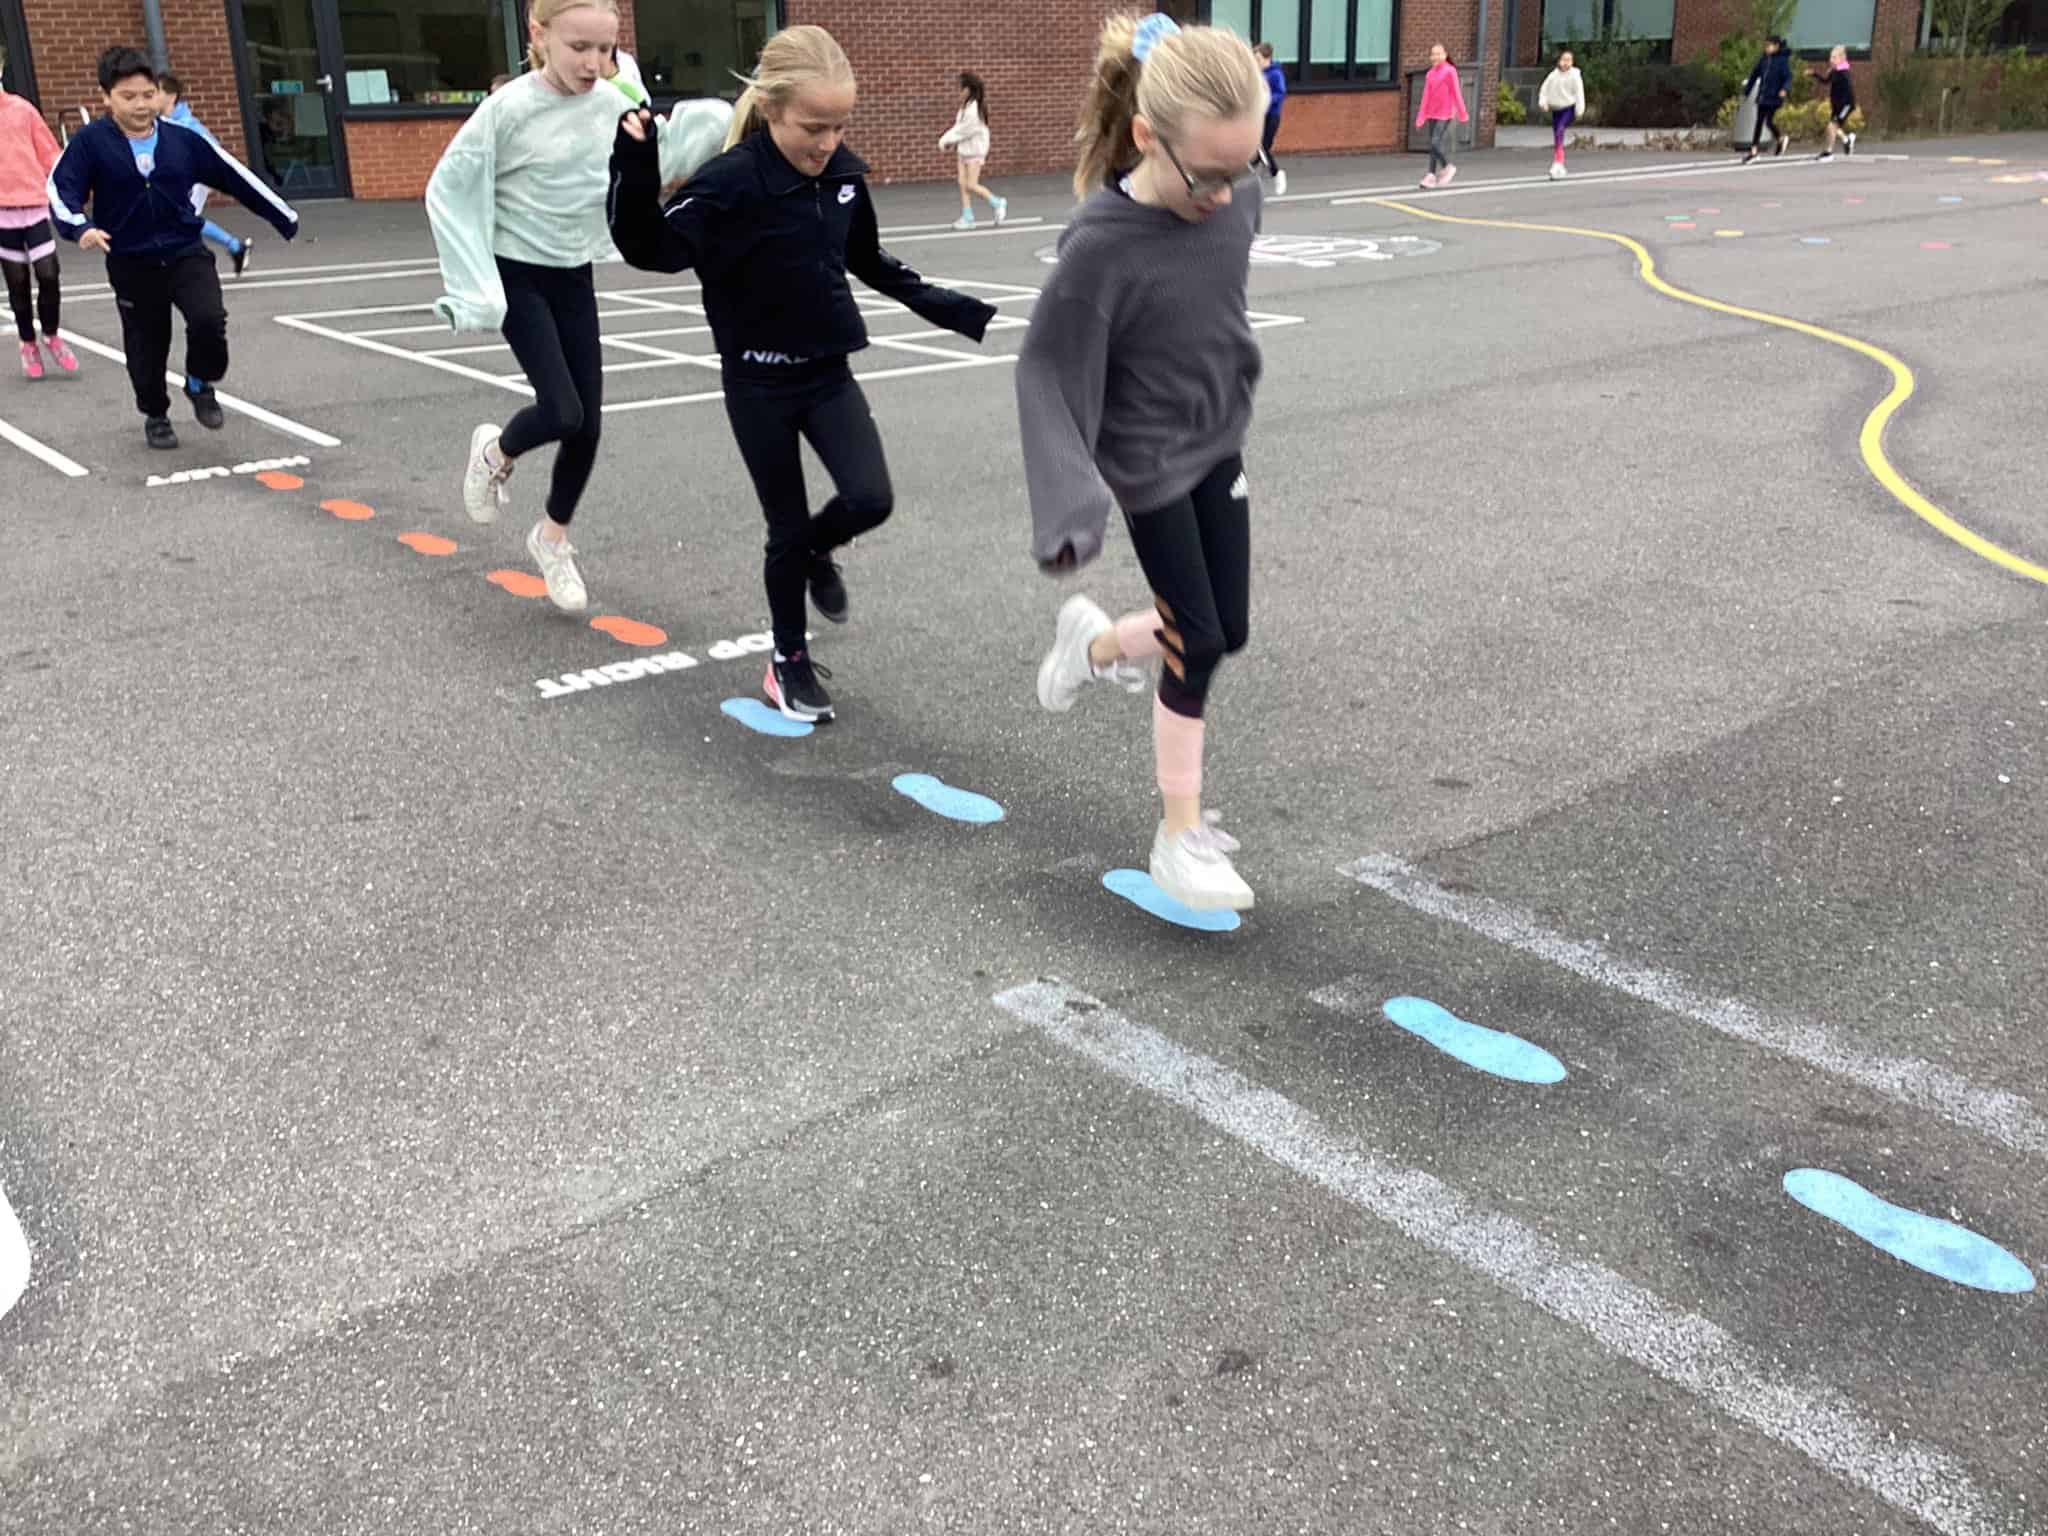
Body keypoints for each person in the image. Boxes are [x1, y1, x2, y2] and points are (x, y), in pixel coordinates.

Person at [609, 25, 996, 725]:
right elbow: (652, 248)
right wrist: (634, 169)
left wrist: (961, 311)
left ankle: (820, 549)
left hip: (826, 373)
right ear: (771, 110)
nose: (826, 142)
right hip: (756, 384)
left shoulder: (843, 177)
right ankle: (786, 660)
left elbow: (873, 263)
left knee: (871, 497)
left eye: (839, 125)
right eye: (813, 127)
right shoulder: (731, 183)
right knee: (783, 527)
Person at [1018, 13, 1267, 912]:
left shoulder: (1236, 190)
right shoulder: (1102, 249)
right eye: (1210, 175)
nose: (1229, 194)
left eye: (1248, 168)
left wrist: (1236, 181)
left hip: (1217, 440)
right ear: (1146, 137)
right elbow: (1047, 372)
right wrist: (1068, 505)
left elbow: (1228, 248)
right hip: (1149, 459)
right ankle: (1178, 835)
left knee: (1223, 629)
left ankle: (1090, 646)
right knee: (1195, 639)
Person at [427, 0, 727, 613]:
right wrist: (474, 285)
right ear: (540, 36)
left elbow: (656, 159)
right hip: (518, 272)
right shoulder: (507, 110)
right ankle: (495, 452)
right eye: (579, 48)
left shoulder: (615, 106)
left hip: (572, 272)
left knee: (588, 424)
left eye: (605, 50)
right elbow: (452, 186)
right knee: (562, 409)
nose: (594, 63)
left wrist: (713, 125)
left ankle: (551, 538)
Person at [48, 46, 299, 449]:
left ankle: (200, 382)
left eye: (148, 95)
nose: (141, 105)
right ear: (106, 97)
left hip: (185, 250)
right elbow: (62, 189)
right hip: (131, 259)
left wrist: (283, 216)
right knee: (147, 344)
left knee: (208, 319)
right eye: (128, 97)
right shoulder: (91, 143)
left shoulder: (182, 140)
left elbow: (233, 175)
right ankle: (156, 413)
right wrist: (80, 228)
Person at [0, 77, 76, 380]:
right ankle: (27, 342)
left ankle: (51, 334)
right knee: (17, 282)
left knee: (48, 272)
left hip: (33, 204)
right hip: (2, 213)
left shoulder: (22, 110)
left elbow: (50, 154)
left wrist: (66, 190)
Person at [155, 75, 255, 278]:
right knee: (181, 220)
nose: (151, 98)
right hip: (179, 180)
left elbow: (213, 151)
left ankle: (198, 262)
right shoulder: (163, 123)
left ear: (171, 96)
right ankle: (235, 247)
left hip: (195, 179)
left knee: (183, 219)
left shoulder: (188, 126)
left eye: (156, 92)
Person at [940, 71, 1006, 230]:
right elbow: (959, 129)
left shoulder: (974, 110)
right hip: (964, 151)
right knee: (963, 184)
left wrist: (945, 140)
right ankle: (967, 217)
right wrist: (949, 140)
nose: (958, 92)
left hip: (975, 152)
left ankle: (997, 202)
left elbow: (963, 131)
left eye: (961, 88)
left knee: (971, 184)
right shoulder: (966, 107)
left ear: (968, 90)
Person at [1415, 43, 1468, 189]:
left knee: (1434, 142)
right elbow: (1426, 96)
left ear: (1445, 55)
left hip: (1445, 113)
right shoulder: (1430, 74)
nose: (1435, 57)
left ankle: (1447, 166)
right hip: (1432, 112)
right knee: (1433, 145)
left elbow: (1456, 93)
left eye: (1438, 54)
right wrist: (1421, 116)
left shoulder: (1450, 71)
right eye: (1433, 54)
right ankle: (1431, 175)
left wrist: (1462, 112)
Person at [1741, 36, 1792, 163]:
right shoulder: (1763, 60)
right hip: (1763, 96)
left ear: (1776, 46)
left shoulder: (1782, 61)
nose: (1766, 48)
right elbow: (1754, 75)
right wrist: (1747, 91)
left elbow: (1788, 77)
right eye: (1766, 45)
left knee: (1768, 121)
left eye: (1769, 45)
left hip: (1774, 97)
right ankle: (1754, 151)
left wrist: (1784, 89)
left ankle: (1780, 138)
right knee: (1759, 122)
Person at [1537, 48, 1585, 180]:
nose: (1566, 63)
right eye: (1564, 60)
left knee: (1560, 130)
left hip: (1569, 108)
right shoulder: (1553, 76)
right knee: (1557, 135)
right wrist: (1543, 103)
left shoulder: (1575, 76)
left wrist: (1579, 110)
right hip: (1556, 109)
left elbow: (1579, 94)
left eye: (1569, 60)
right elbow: (1544, 91)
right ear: (1559, 61)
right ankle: (1559, 162)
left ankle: (1558, 162)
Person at [1814, 46, 1857, 160]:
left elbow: (1848, 91)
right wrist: (1814, 74)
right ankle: (1847, 139)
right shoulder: (1834, 72)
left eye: (1834, 57)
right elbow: (1826, 81)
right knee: (1832, 127)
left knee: (1832, 126)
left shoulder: (1843, 73)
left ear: (1842, 59)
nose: (1831, 60)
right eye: (1830, 57)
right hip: (1837, 106)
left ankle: (1828, 153)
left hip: (1846, 104)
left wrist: (1843, 105)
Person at [1255, 42, 1287, 196]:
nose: (1257, 62)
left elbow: (1280, 94)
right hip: (1260, 116)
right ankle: (1251, 182)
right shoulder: (1259, 74)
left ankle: (1277, 174)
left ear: (1267, 58)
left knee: (1263, 148)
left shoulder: (1275, 74)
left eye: (1259, 59)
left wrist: (1265, 101)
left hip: (1272, 116)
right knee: (1256, 148)